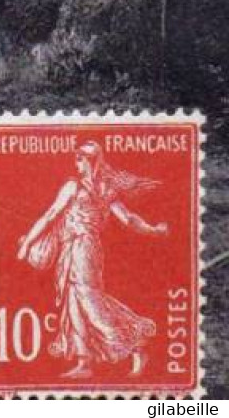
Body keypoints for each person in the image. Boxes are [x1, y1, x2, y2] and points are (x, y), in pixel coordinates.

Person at [16, 140, 169, 379]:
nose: (76, 163)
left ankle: (133, 346)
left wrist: (153, 230)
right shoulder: (85, 187)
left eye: (81, 158)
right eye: (76, 158)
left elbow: (127, 218)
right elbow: (51, 216)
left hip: (85, 246)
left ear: (92, 161)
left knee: (88, 298)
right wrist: (153, 230)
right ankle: (84, 361)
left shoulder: (95, 188)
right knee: (73, 300)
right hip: (71, 247)